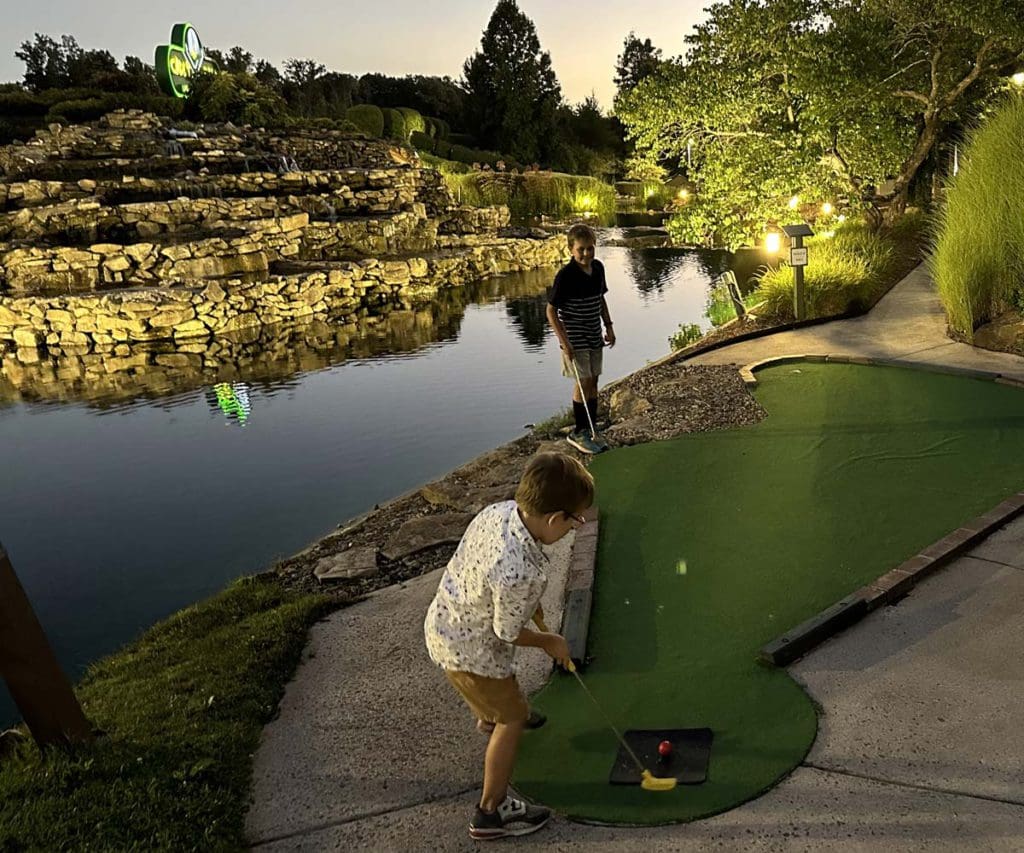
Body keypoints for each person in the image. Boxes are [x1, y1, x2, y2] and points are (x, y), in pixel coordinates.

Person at [424, 452, 594, 840]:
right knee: (512, 717)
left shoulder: (497, 511)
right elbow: (507, 632)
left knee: (496, 698)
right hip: (472, 652)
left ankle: (489, 715)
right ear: (555, 519)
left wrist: (529, 607)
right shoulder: (523, 571)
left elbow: (488, 576)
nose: (574, 528)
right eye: (574, 521)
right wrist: (548, 640)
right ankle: (491, 811)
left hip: (445, 625)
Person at [546, 222, 616, 455]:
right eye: (581, 249)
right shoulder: (565, 276)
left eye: (590, 248)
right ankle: (579, 431)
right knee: (583, 381)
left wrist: (609, 325)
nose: (586, 254)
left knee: (594, 380)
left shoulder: (598, 269)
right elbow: (550, 310)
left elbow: (601, 299)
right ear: (571, 250)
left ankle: (592, 426)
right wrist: (564, 341)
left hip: (594, 333)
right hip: (575, 338)